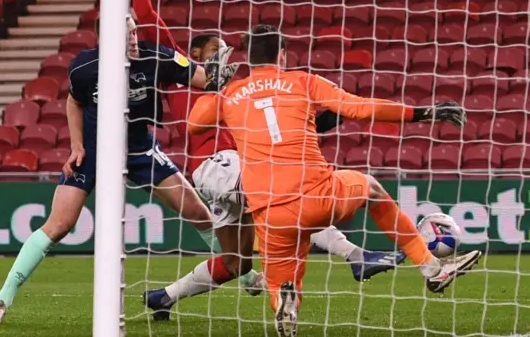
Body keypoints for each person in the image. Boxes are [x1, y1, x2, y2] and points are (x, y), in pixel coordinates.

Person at [187, 24, 482, 336]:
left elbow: (193, 126)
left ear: (249, 57)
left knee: (279, 284)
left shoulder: (231, 94)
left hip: (272, 213)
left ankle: (284, 301)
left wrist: (212, 87)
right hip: (319, 195)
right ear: (282, 55)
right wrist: (422, 114)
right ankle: (432, 268)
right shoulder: (303, 81)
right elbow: (359, 108)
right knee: (372, 189)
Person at [0, 16, 231, 326]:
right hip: (96, 151)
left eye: (135, 31)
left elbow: (206, 80)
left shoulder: (157, 56)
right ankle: (3, 297)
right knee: (59, 224)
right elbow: (74, 102)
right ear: (106, 39)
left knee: (198, 212)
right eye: (126, 34)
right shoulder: (84, 68)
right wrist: (76, 146)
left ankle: (243, 275)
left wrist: (218, 63)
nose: (134, 38)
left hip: (139, 148)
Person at [142, 33, 407, 321]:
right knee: (288, 196)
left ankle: (164, 297)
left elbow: (267, 131)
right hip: (219, 164)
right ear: (193, 52)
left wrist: (319, 123)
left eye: (225, 49)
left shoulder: (232, 89)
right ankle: (356, 256)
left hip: (232, 170)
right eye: (215, 49)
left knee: (236, 262)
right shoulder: (184, 76)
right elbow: (153, 23)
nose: (223, 54)